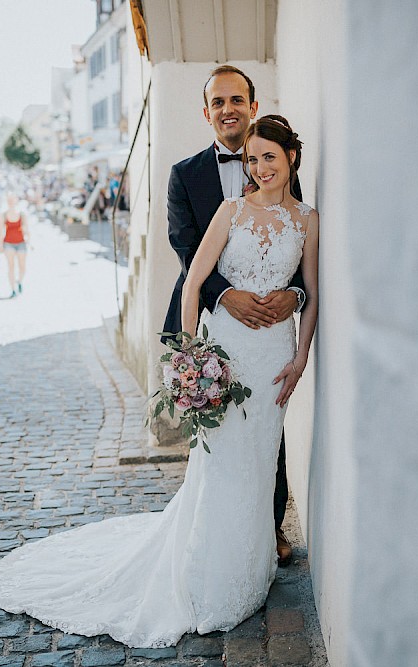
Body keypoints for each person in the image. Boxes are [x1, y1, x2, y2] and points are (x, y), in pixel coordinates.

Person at [0, 114, 318, 648]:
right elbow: (192, 284)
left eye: (269, 159)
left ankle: (251, 569)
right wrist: (192, 362)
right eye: (253, 159)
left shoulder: (308, 219)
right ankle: (208, 579)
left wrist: (301, 357)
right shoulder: (230, 210)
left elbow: (311, 291)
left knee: (260, 463)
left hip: (275, 359)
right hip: (228, 356)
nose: (258, 169)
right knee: (220, 466)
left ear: (291, 161)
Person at [165, 65, 306, 565]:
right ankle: (216, 538)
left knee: (270, 433)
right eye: (218, 102)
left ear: (253, 105)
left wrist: (297, 295)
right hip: (217, 317)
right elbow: (186, 250)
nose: (228, 109)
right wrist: (226, 296)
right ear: (207, 112)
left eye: (236, 100)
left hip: (272, 329)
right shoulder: (185, 174)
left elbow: (288, 243)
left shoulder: (277, 165)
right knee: (221, 436)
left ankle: (269, 531)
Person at [0, 194, 29, 297]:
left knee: (22, 266)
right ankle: (13, 289)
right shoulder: (3, 215)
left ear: (16, 200)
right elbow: (0, 230)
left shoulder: (22, 214)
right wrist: (0, 244)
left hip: (21, 242)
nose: (11, 201)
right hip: (8, 243)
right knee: (11, 266)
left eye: (12, 199)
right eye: (9, 200)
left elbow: (26, 228)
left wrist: (29, 240)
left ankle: (19, 281)